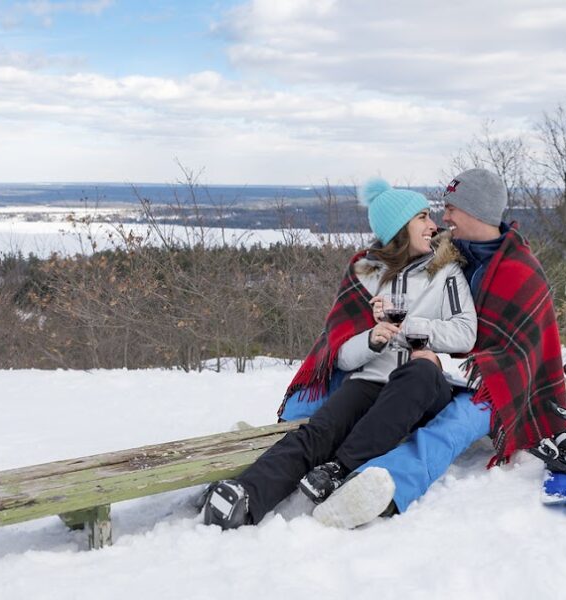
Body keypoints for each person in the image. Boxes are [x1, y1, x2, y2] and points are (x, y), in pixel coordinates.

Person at [200, 178, 477, 529]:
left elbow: (465, 333)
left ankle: (339, 468)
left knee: (419, 374)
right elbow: (342, 356)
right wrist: (373, 339)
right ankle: (246, 496)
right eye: (422, 218)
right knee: (320, 431)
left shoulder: (446, 270)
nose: (433, 225)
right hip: (372, 380)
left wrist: (409, 328)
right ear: (399, 228)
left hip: (424, 387)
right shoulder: (365, 274)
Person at [312, 168, 566, 529]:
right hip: (428, 370)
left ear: (476, 211)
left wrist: (443, 359)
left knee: (453, 425)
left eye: (451, 209)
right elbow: (399, 258)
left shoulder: (519, 269)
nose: (443, 218)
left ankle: (383, 484)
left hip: (495, 383)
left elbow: (519, 355)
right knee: (333, 389)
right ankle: (296, 442)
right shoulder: (447, 253)